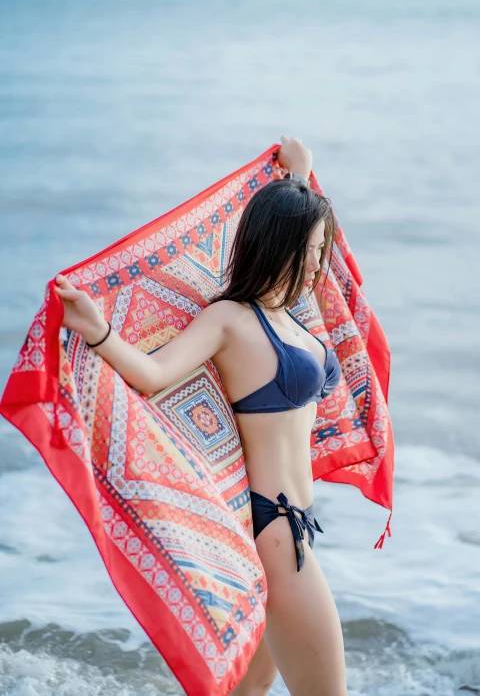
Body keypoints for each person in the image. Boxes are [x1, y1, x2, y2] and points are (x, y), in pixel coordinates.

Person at [55, 136, 348, 696]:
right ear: (276, 245)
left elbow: (309, 249)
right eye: (307, 251)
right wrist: (98, 330)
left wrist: (303, 178)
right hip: (275, 530)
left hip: (297, 529)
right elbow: (155, 374)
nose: (317, 265)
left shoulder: (294, 315)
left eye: (320, 251)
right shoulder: (231, 320)